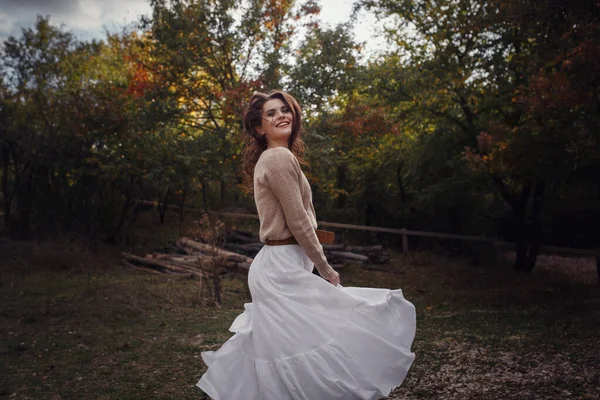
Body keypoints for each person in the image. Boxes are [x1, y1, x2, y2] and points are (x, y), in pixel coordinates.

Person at [196, 90, 416, 400]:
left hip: (279, 262)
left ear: (295, 115)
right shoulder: (277, 157)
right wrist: (325, 267)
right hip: (280, 266)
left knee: (277, 341)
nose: (280, 116)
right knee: (313, 332)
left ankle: (224, 391)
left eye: (284, 109)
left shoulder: (276, 157)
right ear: (260, 129)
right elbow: (297, 221)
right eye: (270, 114)